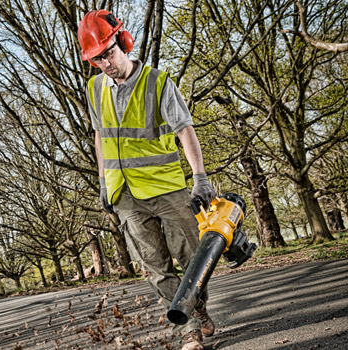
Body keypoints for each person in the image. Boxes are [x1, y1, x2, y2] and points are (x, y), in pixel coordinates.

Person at [78, 10, 216, 350]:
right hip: (124, 194)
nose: (106, 64)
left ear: (123, 43)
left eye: (109, 52)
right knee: (154, 267)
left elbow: (185, 129)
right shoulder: (94, 89)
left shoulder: (157, 82)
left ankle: (198, 307)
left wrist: (199, 177)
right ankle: (189, 330)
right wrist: (101, 180)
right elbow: (100, 136)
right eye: (97, 59)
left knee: (191, 257)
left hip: (166, 188)